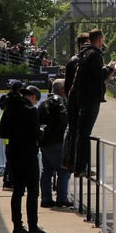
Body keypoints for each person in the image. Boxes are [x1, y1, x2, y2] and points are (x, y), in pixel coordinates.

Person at [3, 85, 52, 233]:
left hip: (13, 152)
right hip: (28, 153)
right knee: (32, 191)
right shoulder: (30, 110)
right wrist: (41, 132)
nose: (35, 103)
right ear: (32, 97)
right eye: (36, 100)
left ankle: (17, 226)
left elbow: (3, 132)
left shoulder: (9, 108)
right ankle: (33, 227)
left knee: (17, 191)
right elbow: (35, 134)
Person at [74, 29, 116, 177]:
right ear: (100, 39)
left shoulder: (86, 53)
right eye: (102, 40)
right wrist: (109, 68)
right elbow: (98, 76)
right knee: (84, 134)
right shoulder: (94, 54)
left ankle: (81, 165)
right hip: (91, 99)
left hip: (85, 98)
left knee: (83, 133)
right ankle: (80, 167)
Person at [38, 79, 71, 207]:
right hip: (55, 142)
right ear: (62, 89)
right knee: (64, 170)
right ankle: (62, 198)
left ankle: (46, 198)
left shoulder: (43, 103)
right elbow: (64, 119)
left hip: (44, 142)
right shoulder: (57, 101)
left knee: (47, 170)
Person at [62, 32, 90, 172]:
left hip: (74, 101)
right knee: (79, 133)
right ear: (81, 44)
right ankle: (77, 164)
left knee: (76, 132)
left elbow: (67, 86)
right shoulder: (78, 61)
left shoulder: (73, 61)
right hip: (79, 101)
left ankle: (73, 162)